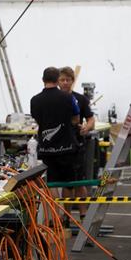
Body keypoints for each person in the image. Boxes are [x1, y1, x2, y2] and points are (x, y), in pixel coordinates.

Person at [29, 67, 80, 200]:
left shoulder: (35, 100)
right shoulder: (69, 98)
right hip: (67, 147)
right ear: (58, 80)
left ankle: (54, 218)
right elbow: (76, 119)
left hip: (47, 148)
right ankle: (66, 218)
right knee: (69, 184)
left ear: (43, 80)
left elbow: (37, 119)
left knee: (51, 184)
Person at [58, 66, 96, 224]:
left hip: (77, 145)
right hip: (59, 146)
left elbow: (91, 119)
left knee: (79, 182)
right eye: (62, 80)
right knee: (66, 184)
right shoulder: (54, 99)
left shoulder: (81, 99)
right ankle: (66, 216)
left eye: (68, 80)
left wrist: (87, 127)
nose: (65, 82)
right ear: (57, 81)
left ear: (73, 81)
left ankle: (83, 216)